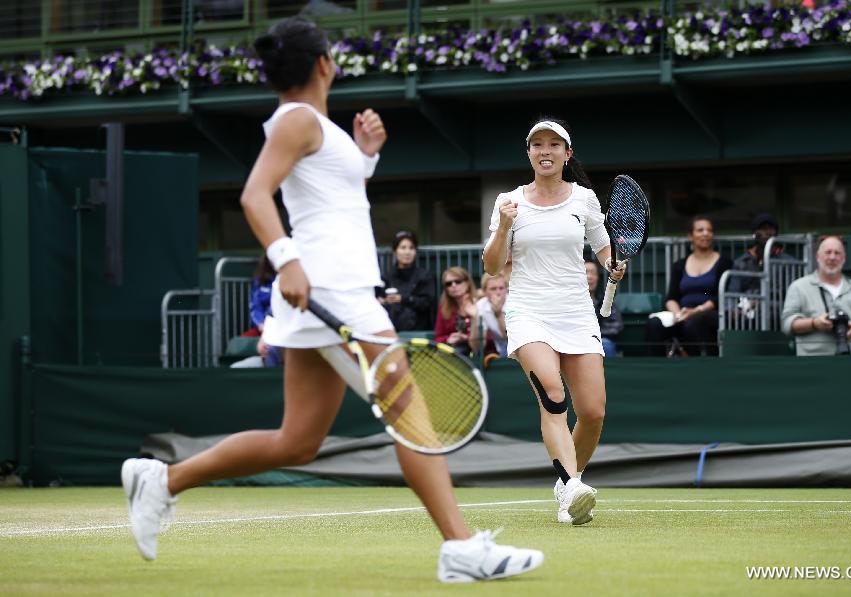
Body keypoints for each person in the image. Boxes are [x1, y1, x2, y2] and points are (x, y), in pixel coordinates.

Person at [120, 16, 542, 583]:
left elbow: (333, 203)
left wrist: (365, 157)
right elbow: (253, 195)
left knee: (296, 442)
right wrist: (287, 258)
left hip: (331, 291)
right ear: (323, 63)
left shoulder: (318, 125)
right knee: (410, 417)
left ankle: (161, 481)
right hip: (331, 292)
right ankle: (462, 548)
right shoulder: (296, 120)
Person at [482, 117, 626, 527]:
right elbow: (492, 268)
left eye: (553, 145)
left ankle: (569, 487)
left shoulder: (584, 199)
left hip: (577, 313)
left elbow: (605, 250)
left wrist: (614, 266)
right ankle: (571, 486)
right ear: (529, 153)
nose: (545, 151)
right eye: (537, 145)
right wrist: (505, 225)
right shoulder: (508, 201)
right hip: (528, 311)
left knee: (593, 413)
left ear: (567, 153)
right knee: (552, 392)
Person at [645, 216, 731, 356]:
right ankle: (656, 370)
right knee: (654, 324)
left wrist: (696, 310)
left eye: (709, 230)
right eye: (700, 230)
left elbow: (721, 297)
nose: (705, 233)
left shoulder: (724, 262)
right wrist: (678, 314)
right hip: (682, 315)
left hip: (709, 315)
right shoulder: (679, 265)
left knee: (694, 322)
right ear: (690, 236)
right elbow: (671, 297)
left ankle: (695, 368)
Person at [781, 235, 851, 356]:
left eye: (837, 253)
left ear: (844, 258)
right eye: (828, 252)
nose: (832, 257)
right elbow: (786, 324)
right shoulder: (798, 287)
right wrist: (814, 323)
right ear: (817, 257)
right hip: (813, 364)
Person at [378, 230, 434, 331]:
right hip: (392, 331)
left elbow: (427, 303)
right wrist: (383, 301)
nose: (407, 252)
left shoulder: (424, 275)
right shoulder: (387, 277)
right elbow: (378, 301)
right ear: (395, 251)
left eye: (411, 248)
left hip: (418, 331)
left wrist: (403, 299)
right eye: (403, 248)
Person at [433, 266, 478, 356]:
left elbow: (490, 335)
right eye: (449, 284)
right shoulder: (444, 308)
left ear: (467, 283)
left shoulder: (479, 302)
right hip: (454, 350)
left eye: (458, 281)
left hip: (478, 351)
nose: (453, 285)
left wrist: (467, 337)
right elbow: (437, 337)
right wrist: (449, 339)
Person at [585, 259, 624, 357]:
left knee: (606, 345)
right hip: (573, 341)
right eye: (585, 273)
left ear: (598, 278)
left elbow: (616, 326)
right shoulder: (569, 303)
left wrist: (593, 335)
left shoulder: (604, 301)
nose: (589, 277)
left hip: (599, 340)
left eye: (593, 273)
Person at [250, 254, 282, 367]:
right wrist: (261, 325)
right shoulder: (260, 280)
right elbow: (255, 307)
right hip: (264, 328)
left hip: (281, 328)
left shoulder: (287, 278)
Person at [469, 272, 509, 359]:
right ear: (484, 291)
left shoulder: (515, 302)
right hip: (500, 350)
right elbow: (477, 347)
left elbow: (512, 338)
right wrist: (475, 318)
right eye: (493, 289)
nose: (498, 292)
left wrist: (498, 314)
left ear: (507, 289)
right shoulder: (480, 305)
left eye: (501, 288)